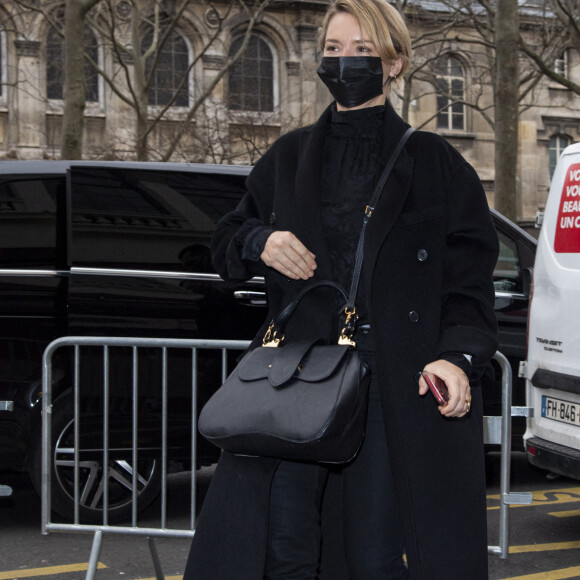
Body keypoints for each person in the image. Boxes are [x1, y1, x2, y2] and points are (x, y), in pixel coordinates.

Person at [183, 0, 498, 578]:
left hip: (393, 383)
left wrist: (458, 357)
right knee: (283, 543)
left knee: (374, 553)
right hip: (300, 374)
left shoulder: (438, 164)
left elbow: (469, 284)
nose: (344, 61)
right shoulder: (290, 155)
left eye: (361, 50)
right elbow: (226, 240)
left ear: (395, 62)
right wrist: (262, 242)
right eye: (333, 49)